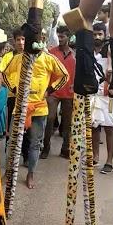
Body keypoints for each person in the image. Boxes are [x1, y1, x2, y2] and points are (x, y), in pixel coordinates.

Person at [2, 44, 69, 189]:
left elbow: (65, 76)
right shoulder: (18, 58)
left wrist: (50, 90)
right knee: (12, 142)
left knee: (35, 143)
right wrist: (14, 89)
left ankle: (30, 173)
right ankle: (9, 172)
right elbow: (5, 74)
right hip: (20, 107)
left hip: (39, 109)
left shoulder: (48, 58)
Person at [42, 25, 75, 159]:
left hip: (69, 93)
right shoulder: (51, 52)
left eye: (62, 37)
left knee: (67, 122)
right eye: (59, 36)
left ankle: (65, 148)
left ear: (68, 37)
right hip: (53, 92)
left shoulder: (74, 54)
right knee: (49, 119)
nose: (60, 39)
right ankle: (46, 147)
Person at [91, 22, 113, 172]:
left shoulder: (111, 49)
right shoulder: (88, 50)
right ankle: (95, 157)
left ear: (105, 35)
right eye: (94, 34)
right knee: (94, 126)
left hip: (108, 94)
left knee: (109, 126)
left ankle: (109, 161)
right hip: (93, 93)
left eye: (100, 34)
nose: (97, 37)